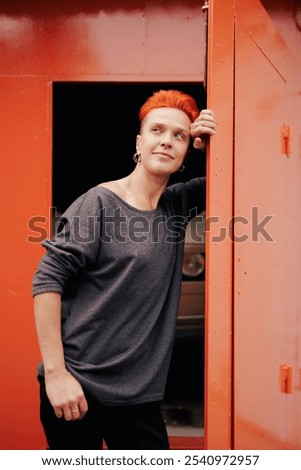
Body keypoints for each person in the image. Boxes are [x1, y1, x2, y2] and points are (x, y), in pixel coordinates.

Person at [32, 89, 217, 450]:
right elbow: (47, 280)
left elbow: (234, 178)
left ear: (185, 151)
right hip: (77, 387)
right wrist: (56, 375)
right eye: (157, 131)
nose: (166, 142)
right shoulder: (99, 203)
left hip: (138, 397)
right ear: (139, 141)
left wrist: (209, 147)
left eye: (179, 135)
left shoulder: (175, 206)